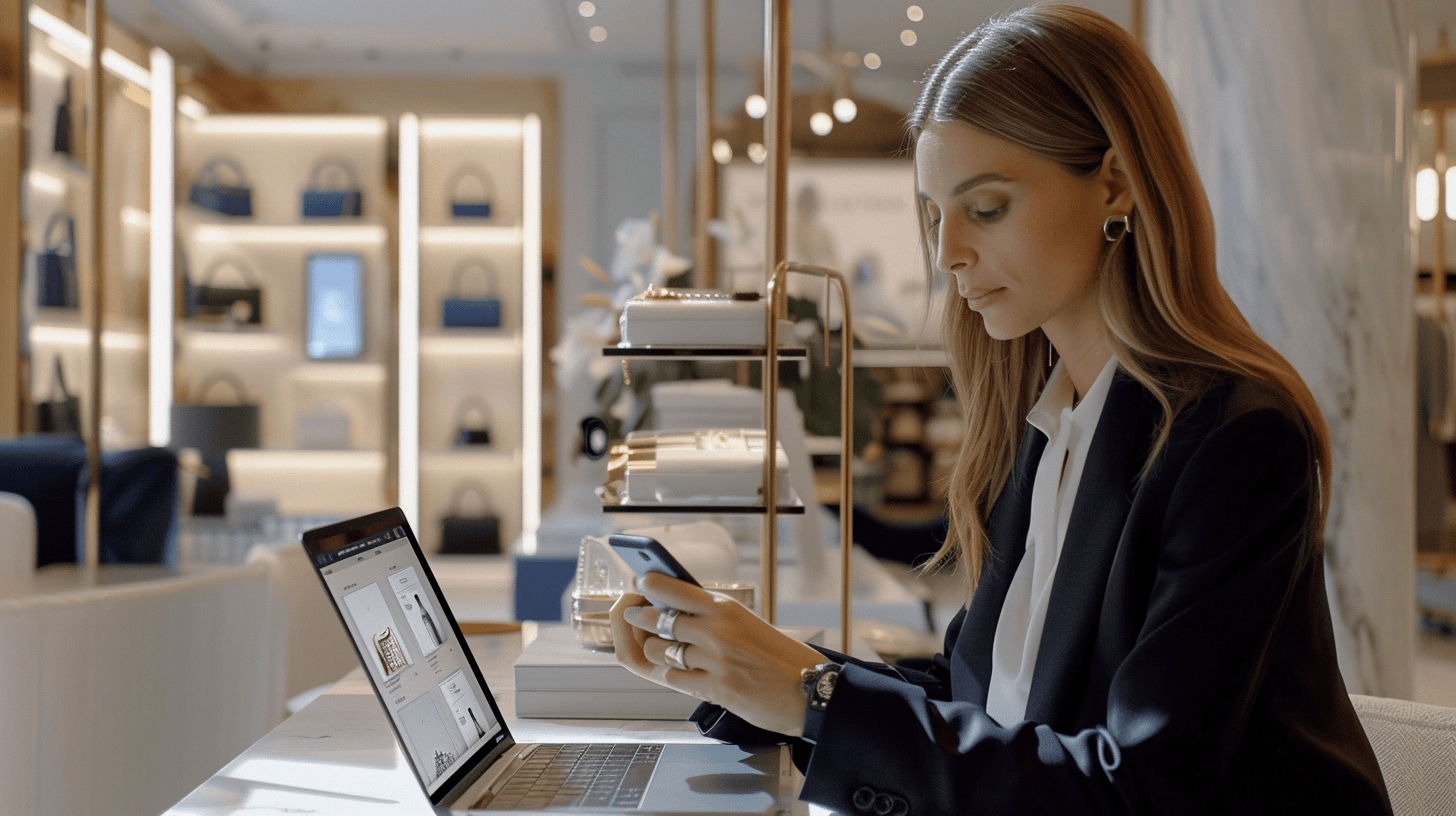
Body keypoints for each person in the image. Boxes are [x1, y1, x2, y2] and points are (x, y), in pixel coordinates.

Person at [609, 5, 1393, 814]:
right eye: (935, 214)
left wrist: (814, 696)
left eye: (985, 209)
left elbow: (1142, 789)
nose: (948, 253)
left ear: (1115, 183)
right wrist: (758, 674)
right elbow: (981, 698)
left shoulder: (1235, 441)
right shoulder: (1054, 422)